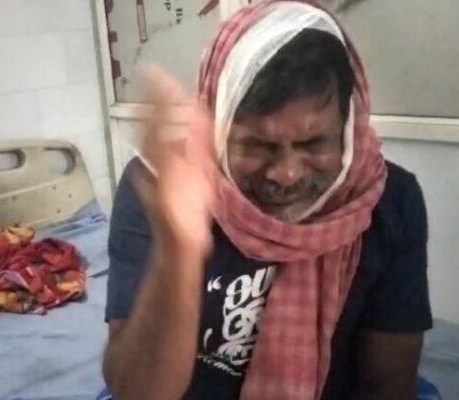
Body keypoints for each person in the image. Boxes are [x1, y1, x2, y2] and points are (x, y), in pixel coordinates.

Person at [102, 1, 432, 399]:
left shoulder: (388, 200)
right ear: (218, 129)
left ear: (349, 127)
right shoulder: (161, 186)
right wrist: (178, 251)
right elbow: (136, 392)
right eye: (257, 145)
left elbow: (386, 386)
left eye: (314, 143)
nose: (287, 174)